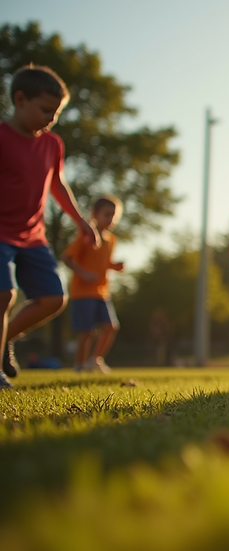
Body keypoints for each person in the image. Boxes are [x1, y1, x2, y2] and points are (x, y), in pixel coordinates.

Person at [1, 65, 99, 390]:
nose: (51, 119)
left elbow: (57, 185)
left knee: (54, 298)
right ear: (19, 99)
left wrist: (82, 222)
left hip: (32, 237)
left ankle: (5, 340)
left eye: (56, 113)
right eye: (45, 110)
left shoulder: (52, 144)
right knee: (4, 294)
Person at [62, 195, 124, 373]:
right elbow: (66, 258)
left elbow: (104, 263)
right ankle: (79, 366)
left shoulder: (112, 240)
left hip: (102, 292)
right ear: (95, 214)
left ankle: (94, 360)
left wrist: (114, 266)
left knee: (111, 326)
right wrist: (83, 273)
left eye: (114, 215)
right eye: (107, 214)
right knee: (86, 331)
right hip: (82, 292)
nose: (110, 219)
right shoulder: (86, 236)